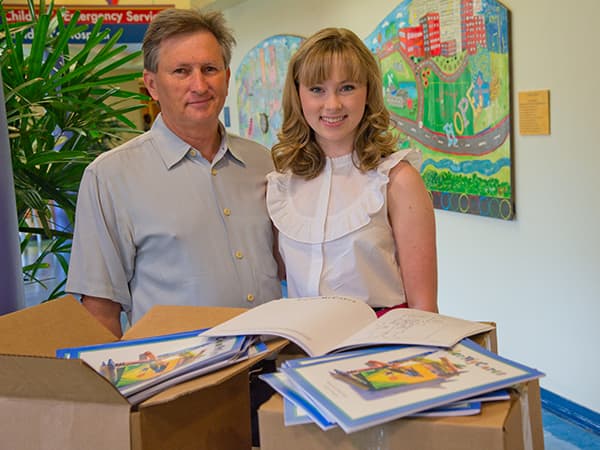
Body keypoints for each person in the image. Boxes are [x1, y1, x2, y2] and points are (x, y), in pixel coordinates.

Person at [66, 9, 282, 338]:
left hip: (272, 362)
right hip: (178, 378)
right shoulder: (110, 176)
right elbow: (100, 309)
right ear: (152, 84)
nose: (199, 85)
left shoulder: (262, 162)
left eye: (209, 69)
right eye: (181, 71)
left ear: (226, 76)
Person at [267, 27, 438, 313]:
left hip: (382, 346)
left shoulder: (397, 179)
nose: (332, 104)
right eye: (317, 89)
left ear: (368, 91)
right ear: (298, 95)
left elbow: (424, 308)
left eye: (347, 88)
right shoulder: (282, 184)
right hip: (304, 349)